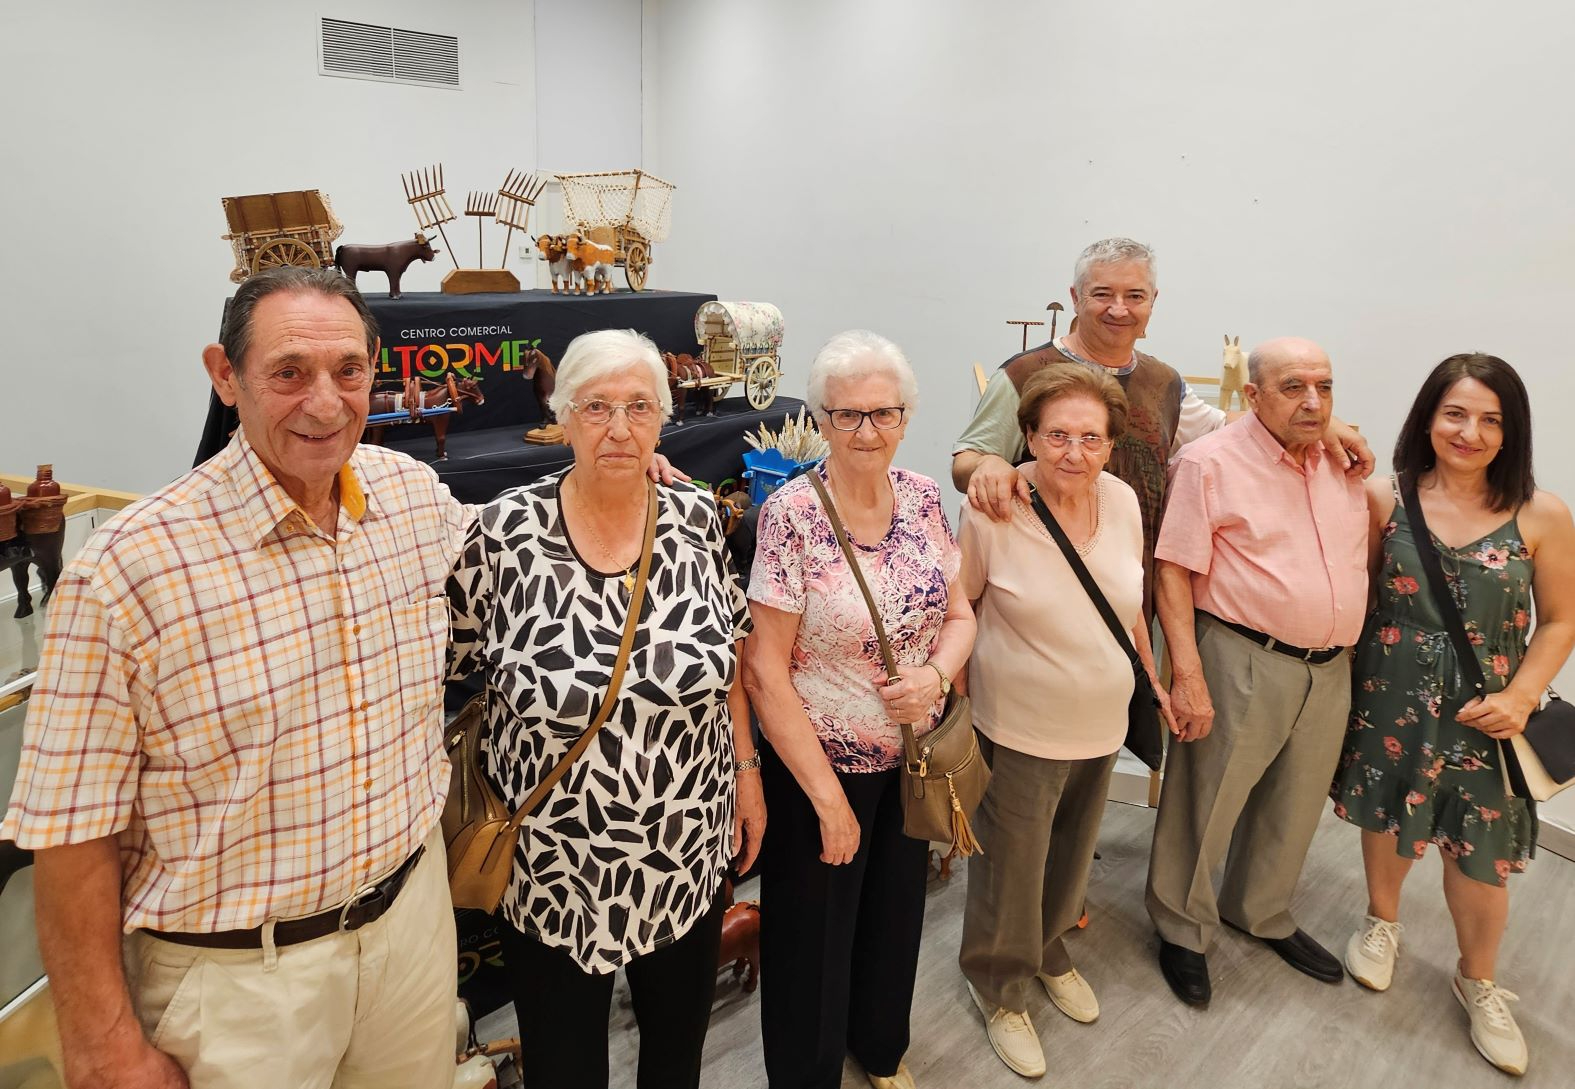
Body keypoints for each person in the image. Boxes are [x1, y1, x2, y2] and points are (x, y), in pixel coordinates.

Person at [1, 267, 470, 1089]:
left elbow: (516, 547)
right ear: (226, 374)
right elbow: (70, 833)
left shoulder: (412, 498)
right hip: (238, 987)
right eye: (289, 372)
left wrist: (627, 474)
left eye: (347, 371)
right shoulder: (128, 571)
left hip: (409, 933)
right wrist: (102, 1041)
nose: (325, 403)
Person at [446, 328, 764, 1089]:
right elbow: (451, 672)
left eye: (637, 407)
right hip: (554, 858)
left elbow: (730, 660)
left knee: (673, 1057)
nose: (618, 428)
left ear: (662, 420)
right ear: (560, 417)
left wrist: (747, 774)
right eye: (595, 407)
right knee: (564, 1066)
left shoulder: (695, 518)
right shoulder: (503, 532)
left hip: (684, 841)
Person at [1330, 354, 1575, 1077]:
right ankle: (1381, 923)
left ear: (1511, 431)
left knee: (1479, 852)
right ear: (1428, 417)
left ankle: (1478, 978)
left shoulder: (1540, 512)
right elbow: (1360, 599)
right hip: (1389, 691)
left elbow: (1560, 620)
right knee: (1387, 816)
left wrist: (1521, 694)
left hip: (1484, 712)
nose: (1468, 431)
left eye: (1490, 419)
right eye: (1454, 413)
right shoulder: (1382, 498)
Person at [743, 330, 976, 1089]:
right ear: (819, 420)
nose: (865, 431)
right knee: (810, 943)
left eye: (881, 413)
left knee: (892, 920)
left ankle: (879, 1049)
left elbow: (961, 616)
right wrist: (824, 798)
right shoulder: (790, 515)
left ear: (906, 416)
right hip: (818, 764)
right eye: (845, 415)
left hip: (907, 758)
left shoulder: (920, 497)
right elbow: (764, 671)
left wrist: (937, 677)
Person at [952, 237, 1372, 612]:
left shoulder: (1164, 383)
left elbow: (1227, 427)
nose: (1119, 309)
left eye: (1135, 295)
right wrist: (988, 465)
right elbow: (967, 459)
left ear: (1153, 301)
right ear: (1076, 297)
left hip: (1129, 596)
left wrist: (1318, 420)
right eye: (1103, 294)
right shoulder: (1024, 374)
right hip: (1034, 595)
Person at [956, 363, 1174, 1078]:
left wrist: (1155, 679)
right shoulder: (994, 508)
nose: (1072, 452)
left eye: (1089, 437)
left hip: (1101, 720)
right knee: (1009, 868)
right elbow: (961, 609)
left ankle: (1048, 948)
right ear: (1026, 437)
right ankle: (998, 984)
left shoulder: (1119, 501)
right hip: (1018, 723)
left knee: (1072, 854)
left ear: (1110, 445)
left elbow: (1129, 601)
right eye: (1055, 435)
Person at [1144, 337, 1369, 1009]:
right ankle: (1181, 925)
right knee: (1205, 799)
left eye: (1323, 387)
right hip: (1238, 652)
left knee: (1294, 802)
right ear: (1252, 395)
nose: (1312, 400)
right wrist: (1185, 671)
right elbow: (1173, 571)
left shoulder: (1340, 461)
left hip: (1327, 667)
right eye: (1293, 386)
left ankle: (1260, 909)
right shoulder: (1208, 462)